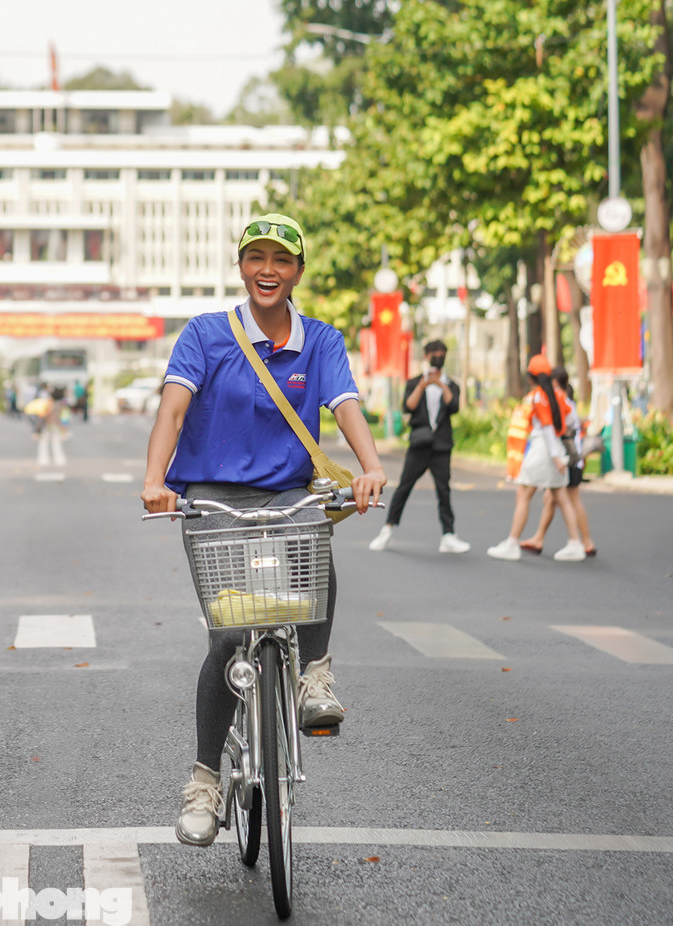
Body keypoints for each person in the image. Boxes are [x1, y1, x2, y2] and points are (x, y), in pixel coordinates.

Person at [140, 213, 386, 848]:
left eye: (281, 259)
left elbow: (345, 405)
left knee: (315, 545)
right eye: (256, 258)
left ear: (299, 272)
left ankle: (316, 674)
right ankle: (203, 780)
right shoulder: (204, 335)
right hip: (214, 496)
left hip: (287, 492)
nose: (267, 269)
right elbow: (173, 407)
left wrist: (371, 466)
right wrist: (155, 478)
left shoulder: (321, 341)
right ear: (241, 267)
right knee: (227, 639)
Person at [368, 340, 471, 554]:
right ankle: (387, 529)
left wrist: (441, 385)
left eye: (441, 352)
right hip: (419, 444)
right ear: (426, 356)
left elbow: (453, 407)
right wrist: (424, 385)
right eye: (433, 352)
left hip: (441, 445)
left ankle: (448, 536)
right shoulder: (415, 382)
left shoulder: (452, 384)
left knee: (444, 490)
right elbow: (409, 406)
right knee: (404, 487)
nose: (437, 356)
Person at [487, 354, 585, 562]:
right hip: (555, 449)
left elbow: (548, 428)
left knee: (523, 494)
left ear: (531, 376)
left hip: (543, 450)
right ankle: (575, 543)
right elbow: (571, 418)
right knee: (561, 497)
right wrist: (560, 448)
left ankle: (512, 542)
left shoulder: (539, 396)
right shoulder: (558, 395)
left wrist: (555, 456)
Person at [518, 366, 596, 557]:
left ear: (553, 382)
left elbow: (553, 429)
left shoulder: (558, 399)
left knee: (566, 499)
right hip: (569, 457)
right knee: (552, 499)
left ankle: (583, 541)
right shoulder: (564, 398)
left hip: (565, 458)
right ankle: (541, 538)